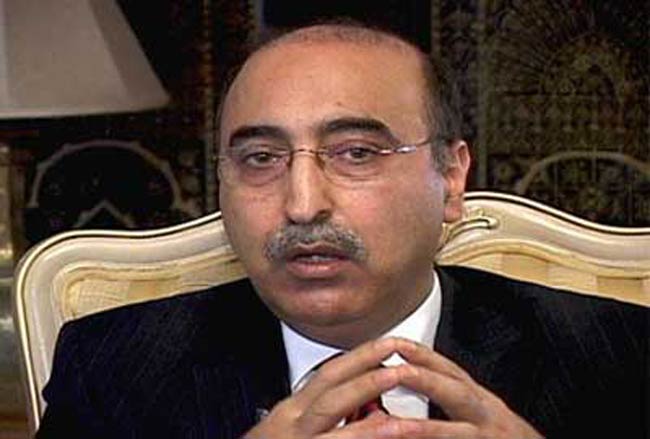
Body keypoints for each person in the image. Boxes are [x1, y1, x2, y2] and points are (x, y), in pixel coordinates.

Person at [36, 23, 646, 439]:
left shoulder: (618, 354)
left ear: (451, 178)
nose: (303, 206)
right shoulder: (115, 366)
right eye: (261, 159)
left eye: (356, 153)